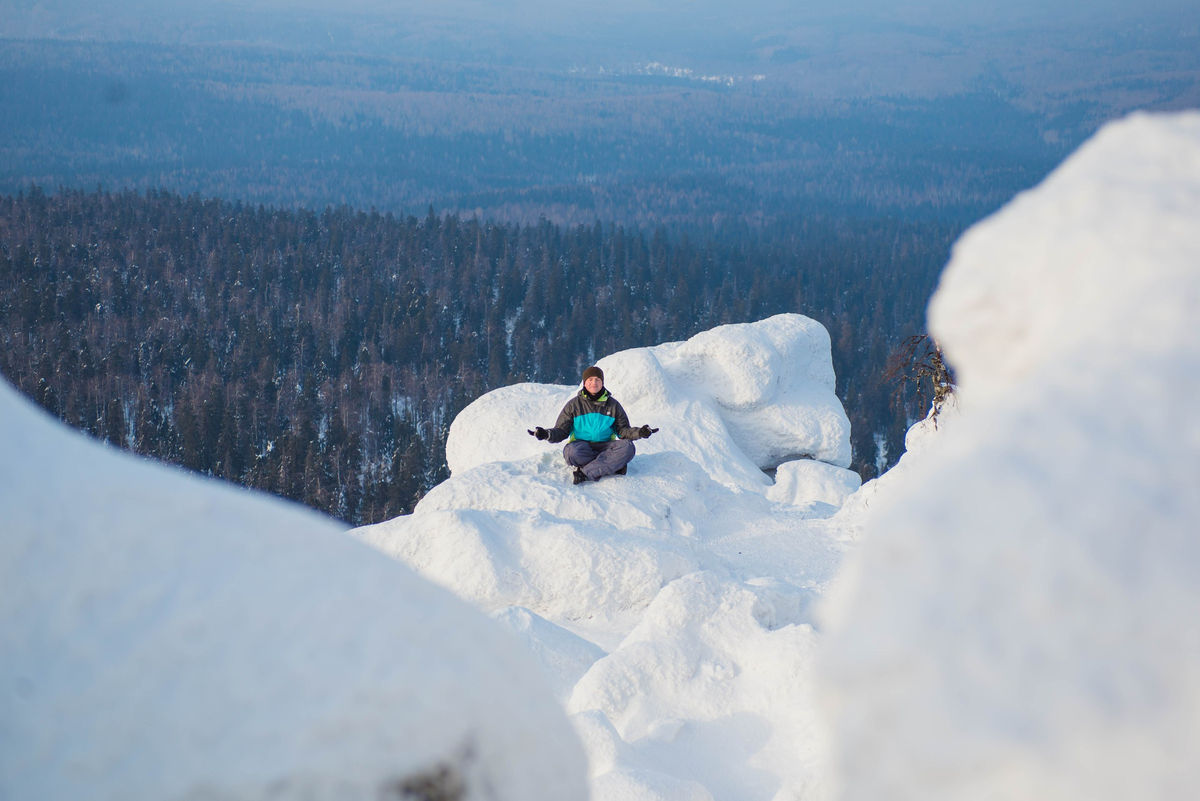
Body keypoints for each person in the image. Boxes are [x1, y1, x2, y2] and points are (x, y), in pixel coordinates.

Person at [528, 366, 657, 484]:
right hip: (580, 446)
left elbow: (623, 431)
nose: (594, 383)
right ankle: (611, 465)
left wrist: (640, 432)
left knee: (628, 447)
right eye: (590, 380)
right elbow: (561, 430)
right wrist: (546, 434)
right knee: (572, 453)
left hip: (605, 446)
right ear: (584, 383)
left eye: (597, 380)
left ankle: (585, 473)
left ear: (602, 383)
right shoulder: (574, 405)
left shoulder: (613, 405)